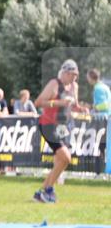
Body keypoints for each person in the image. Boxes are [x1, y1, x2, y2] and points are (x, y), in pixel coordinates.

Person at [33, 59, 85, 203]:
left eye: (76, 75)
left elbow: (74, 105)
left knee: (60, 161)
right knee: (66, 158)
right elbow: (38, 102)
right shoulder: (54, 84)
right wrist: (58, 102)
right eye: (73, 75)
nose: (75, 78)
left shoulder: (74, 86)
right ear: (66, 73)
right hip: (48, 125)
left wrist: (81, 109)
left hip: (62, 126)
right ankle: (48, 190)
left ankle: (40, 193)